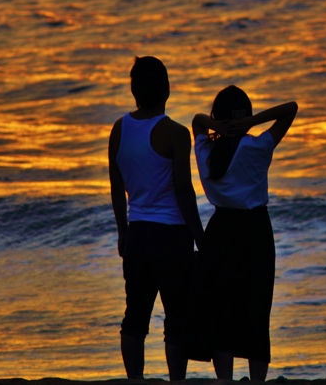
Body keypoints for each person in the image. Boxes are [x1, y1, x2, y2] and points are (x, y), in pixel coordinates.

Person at [190, 86, 298, 382]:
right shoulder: (257, 147)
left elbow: (197, 121)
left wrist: (217, 125)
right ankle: (257, 381)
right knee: (256, 308)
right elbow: (291, 107)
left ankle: (225, 380)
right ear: (246, 116)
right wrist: (251, 122)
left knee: (222, 308)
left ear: (217, 118)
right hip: (255, 231)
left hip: (221, 230)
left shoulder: (206, 153)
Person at [108, 56, 204, 381]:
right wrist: (200, 236)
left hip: (137, 234)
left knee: (134, 317)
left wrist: (122, 232)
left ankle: (135, 380)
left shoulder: (119, 129)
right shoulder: (175, 133)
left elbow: (116, 184)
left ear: (134, 91)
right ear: (166, 90)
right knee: (176, 317)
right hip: (171, 236)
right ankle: (177, 380)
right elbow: (184, 191)